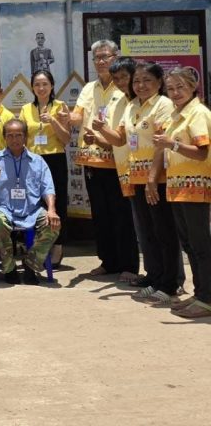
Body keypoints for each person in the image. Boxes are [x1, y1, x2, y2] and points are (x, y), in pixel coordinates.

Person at [93, 62, 180, 304]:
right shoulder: (132, 106)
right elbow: (120, 139)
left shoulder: (163, 105)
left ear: (159, 83)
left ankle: (170, 284)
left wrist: (152, 179)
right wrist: (102, 129)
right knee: (148, 233)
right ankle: (155, 278)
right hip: (137, 178)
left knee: (164, 232)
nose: (140, 86)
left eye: (147, 81)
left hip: (158, 179)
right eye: (137, 81)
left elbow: (162, 144)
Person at [70, 40, 138, 281]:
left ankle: (129, 265)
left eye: (104, 56)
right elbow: (77, 117)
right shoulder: (89, 88)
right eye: (96, 57)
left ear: (115, 56)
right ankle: (108, 262)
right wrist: (65, 116)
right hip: (91, 160)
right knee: (100, 215)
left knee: (122, 215)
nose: (100, 61)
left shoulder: (125, 87)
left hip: (119, 160)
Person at [153, 67, 211, 318]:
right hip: (179, 188)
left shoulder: (198, 113)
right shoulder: (177, 114)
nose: (175, 92)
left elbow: (202, 152)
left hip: (196, 187)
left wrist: (172, 144)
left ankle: (207, 299)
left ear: (193, 87)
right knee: (189, 244)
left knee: (201, 245)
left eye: (180, 87)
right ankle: (200, 293)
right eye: (171, 88)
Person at [0, 119, 61, 285]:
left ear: (25, 137)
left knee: (53, 224)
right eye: (10, 136)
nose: (14, 139)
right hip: (3, 208)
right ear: (4, 138)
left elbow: (48, 188)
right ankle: (9, 267)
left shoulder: (38, 161)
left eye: (18, 135)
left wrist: (51, 210)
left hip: (32, 209)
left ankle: (31, 265)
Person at [19, 70, 71, 266]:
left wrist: (54, 121)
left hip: (55, 159)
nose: (41, 88)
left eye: (45, 84)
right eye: (37, 84)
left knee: (57, 203)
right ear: (32, 87)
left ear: (52, 85)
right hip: (33, 161)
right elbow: (22, 138)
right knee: (34, 203)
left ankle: (57, 246)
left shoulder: (60, 106)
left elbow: (66, 139)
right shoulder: (25, 109)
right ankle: (37, 247)